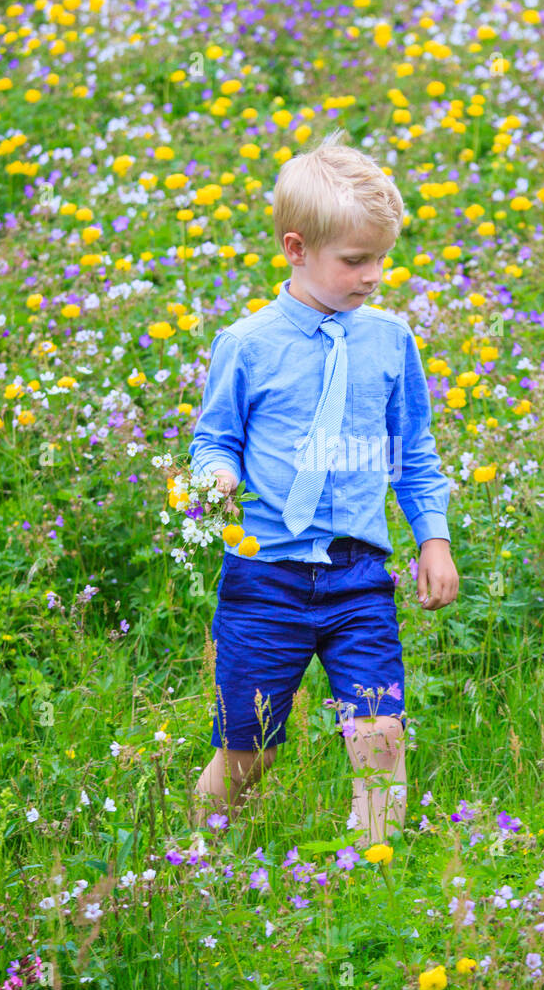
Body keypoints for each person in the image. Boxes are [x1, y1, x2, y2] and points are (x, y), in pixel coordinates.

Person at [189, 129, 459, 847]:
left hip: (359, 575)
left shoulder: (390, 340)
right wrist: (215, 477)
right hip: (265, 575)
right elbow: (214, 439)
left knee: (380, 733)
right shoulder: (247, 343)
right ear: (296, 248)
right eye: (356, 260)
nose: (374, 275)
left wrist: (433, 538)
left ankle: (374, 873)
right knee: (250, 750)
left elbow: (414, 451)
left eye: (382, 259)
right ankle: (192, 860)